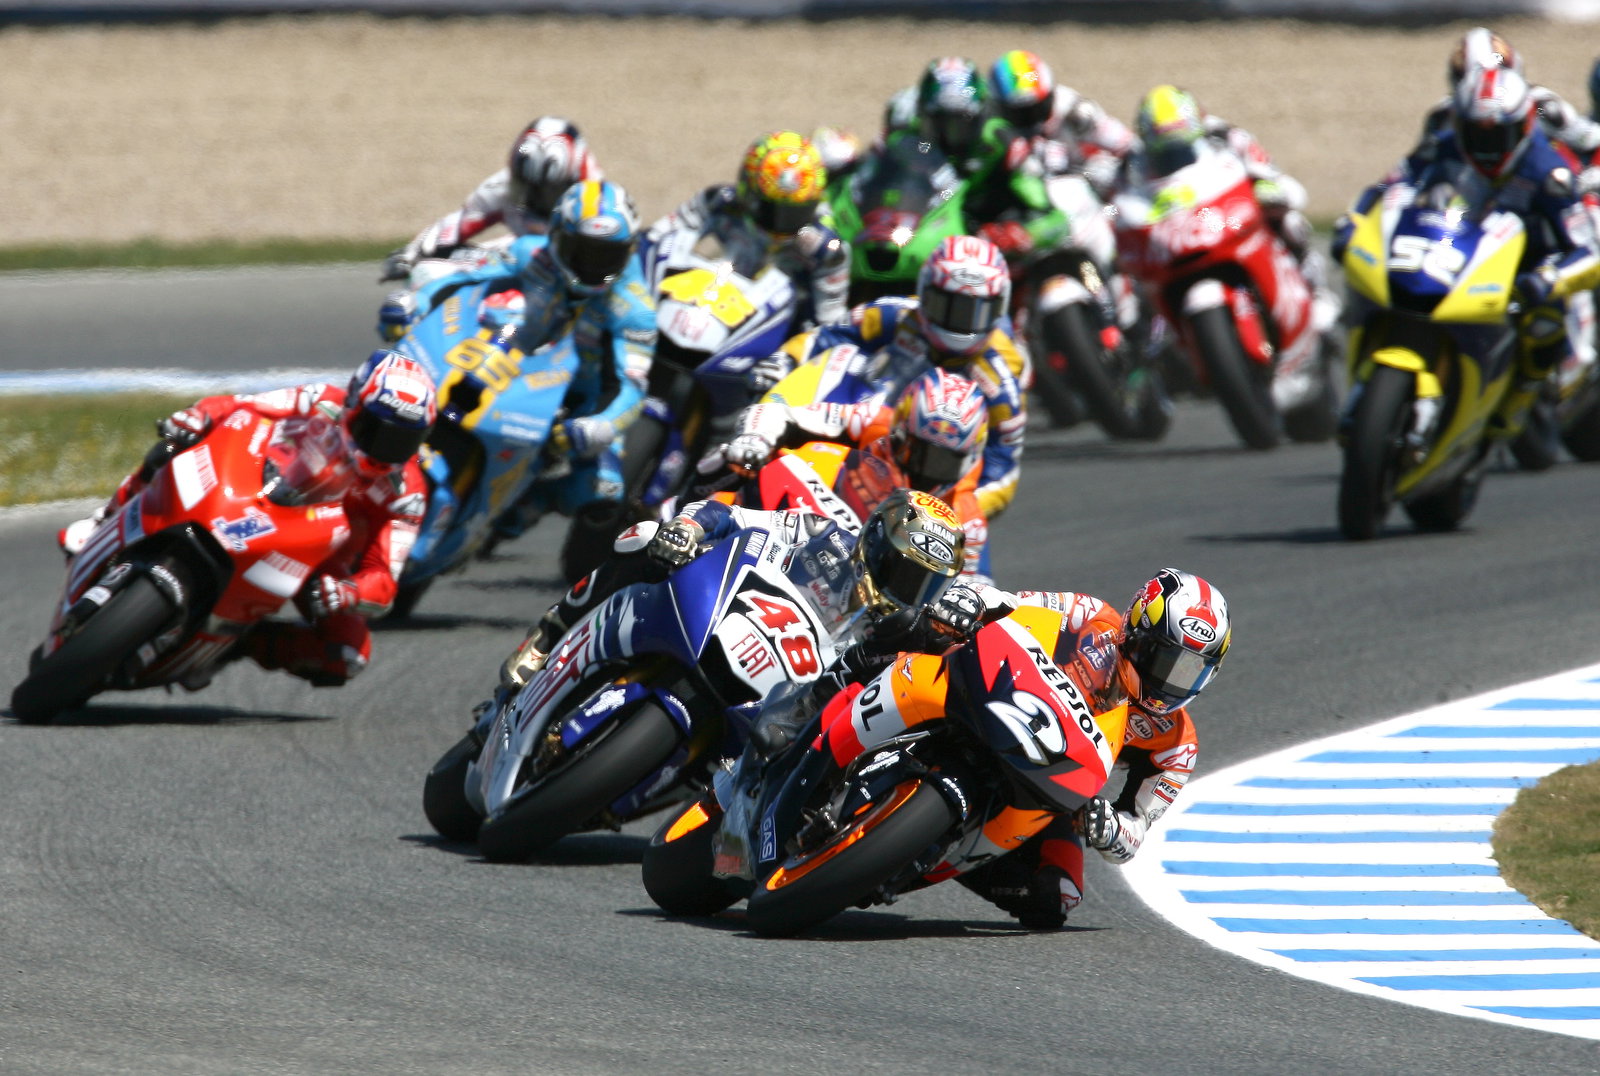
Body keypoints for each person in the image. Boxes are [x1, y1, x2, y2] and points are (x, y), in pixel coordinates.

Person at [59, 350, 437, 687]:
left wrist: (348, 592)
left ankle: (237, 642)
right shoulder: (320, 400)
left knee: (347, 656)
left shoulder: (408, 491)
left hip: (319, 556)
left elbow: (385, 578)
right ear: (355, 403)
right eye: (375, 430)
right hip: (257, 489)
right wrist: (197, 416)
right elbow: (244, 405)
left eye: (402, 440)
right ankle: (105, 517)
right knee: (175, 444)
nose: (383, 448)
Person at [949, 569, 1230, 928]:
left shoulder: (1176, 743)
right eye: (1164, 659)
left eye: (1190, 671)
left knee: (1058, 894)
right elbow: (1012, 603)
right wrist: (974, 600)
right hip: (992, 704)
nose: (1170, 681)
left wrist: (1109, 827)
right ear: (1136, 633)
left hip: (1045, 786)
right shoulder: (1091, 616)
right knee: (917, 634)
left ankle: (936, 856)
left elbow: (1134, 832)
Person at [1336, 64, 1600, 442]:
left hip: (1522, 269)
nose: (1485, 146)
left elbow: (1587, 251)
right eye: (1475, 132)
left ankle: (1519, 403)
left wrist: (1549, 279)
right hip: (1451, 245)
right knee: (1370, 286)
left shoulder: (1549, 173)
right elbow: (1386, 187)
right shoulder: (1441, 148)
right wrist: (1353, 221)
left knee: (1546, 325)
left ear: (1524, 128)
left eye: (1498, 136)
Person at [495, 487, 972, 692]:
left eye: (923, 584)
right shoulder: (823, 533)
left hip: (780, 690)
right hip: (728, 613)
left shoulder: (896, 633)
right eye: (903, 570)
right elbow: (730, 516)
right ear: (874, 542)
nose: (906, 590)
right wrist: (687, 528)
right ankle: (550, 633)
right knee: (644, 536)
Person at [406, 178, 656, 542]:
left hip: (578, 400)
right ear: (556, 236)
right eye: (581, 251)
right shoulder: (531, 253)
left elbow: (631, 386)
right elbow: (463, 278)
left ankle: (529, 505)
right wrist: (417, 302)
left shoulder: (636, 309)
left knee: (604, 488)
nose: (592, 265)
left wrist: (599, 424)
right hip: (510, 361)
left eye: (607, 254)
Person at [754, 235, 1030, 525]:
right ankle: (770, 429)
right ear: (924, 290)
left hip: (922, 483)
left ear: (998, 309)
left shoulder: (1000, 381)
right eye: (944, 304)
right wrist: (785, 360)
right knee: (844, 354)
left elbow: (1003, 470)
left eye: (975, 311)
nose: (958, 321)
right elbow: (828, 335)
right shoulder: (898, 313)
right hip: (867, 420)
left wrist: (956, 512)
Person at [717, 364, 992, 575]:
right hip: (814, 525)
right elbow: (778, 412)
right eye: (919, 453)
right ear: (901, 429)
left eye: (945, 461)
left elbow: (962, 590)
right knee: (731, 462)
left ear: (969, 457)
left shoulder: (968, 518)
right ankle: (689, 514)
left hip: (867, 594)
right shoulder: (873, 420)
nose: (928, 472)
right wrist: (756, 439)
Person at [1121, 83, 1343, 340]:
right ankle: (1150, 330)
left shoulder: (1224, 135)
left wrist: (1267, 187)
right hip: (1170, 227)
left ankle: (1316, 290)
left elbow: (1268, 172)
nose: (1172, 159)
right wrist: (1115, 214)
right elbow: (1119, 197)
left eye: (1180, 150)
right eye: (1164, 154)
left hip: (1217, 217)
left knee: (1290, 221)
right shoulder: (1135, 160)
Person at [646, 130, 851, 329]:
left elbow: (829, 321)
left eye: (795, 212)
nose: (780, 224)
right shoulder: (719, 200)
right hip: (712, 300)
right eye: (768, 209)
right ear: (747, 188)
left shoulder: (828, 249)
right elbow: (657, 238)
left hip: (781, 327)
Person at [379, 116, 603, 285]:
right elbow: (456, 225)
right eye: (526, 188)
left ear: (572, 183)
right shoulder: (501, 186)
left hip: (572, 282)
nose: (533, 198)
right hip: (518, 261)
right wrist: (411, 254)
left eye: (548, 192)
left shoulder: (597, 204)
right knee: (426, 270)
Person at [898, 56, 1074, 262]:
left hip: (984, 258)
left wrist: (1020, 235)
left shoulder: (1004, 145)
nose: (947, 135)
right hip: (917, 246)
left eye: (959, 124)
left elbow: (1055, 221)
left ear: (980, 115)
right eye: (938, 123)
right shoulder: (907, 142)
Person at [1414, 29, 1600, 166]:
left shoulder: (1544, 108)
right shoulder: (1441, 117)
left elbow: (1591, 140)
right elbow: (1419, 170)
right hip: (1469, 203)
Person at [987, 48, 1135, 196]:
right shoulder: (991, 126)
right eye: (1017, 113)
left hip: (1088, 195)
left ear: (1050, 94)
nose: (1029, 118)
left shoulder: (1077, 112)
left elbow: (1130, 146)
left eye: (1036, 109)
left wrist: (1103, 171)